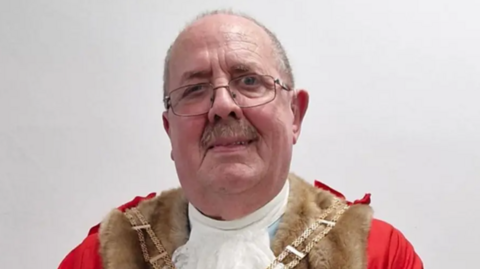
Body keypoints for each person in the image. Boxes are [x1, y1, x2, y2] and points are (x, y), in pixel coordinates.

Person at [58, 9, 423, 269]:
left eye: (249, 81)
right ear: (170, 131)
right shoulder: (100, 259)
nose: (222, 105)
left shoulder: (378, 256)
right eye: (195, 88)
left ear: (295, 114)